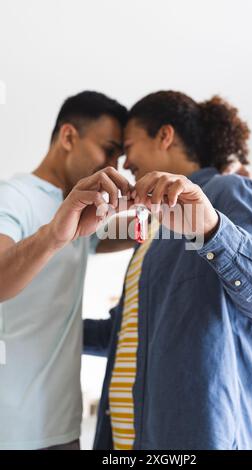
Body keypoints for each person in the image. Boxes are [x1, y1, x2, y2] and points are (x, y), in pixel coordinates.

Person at [84, 92, 252, 450]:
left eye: (129, 145)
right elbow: (124, 335)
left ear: (164, 136)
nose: (125, 162)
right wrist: (40, 329)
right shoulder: (152, 229)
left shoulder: (230, 191)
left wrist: (213, 230)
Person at [0, 91, 131, 450]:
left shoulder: (76, 207)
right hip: (11, 431)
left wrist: (156, 208)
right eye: (108, 149)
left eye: (120, 156)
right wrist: (54, 235)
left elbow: (119, 235)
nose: (114, 166)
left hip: (63, 428)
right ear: (69, 136)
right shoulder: (14, 196)